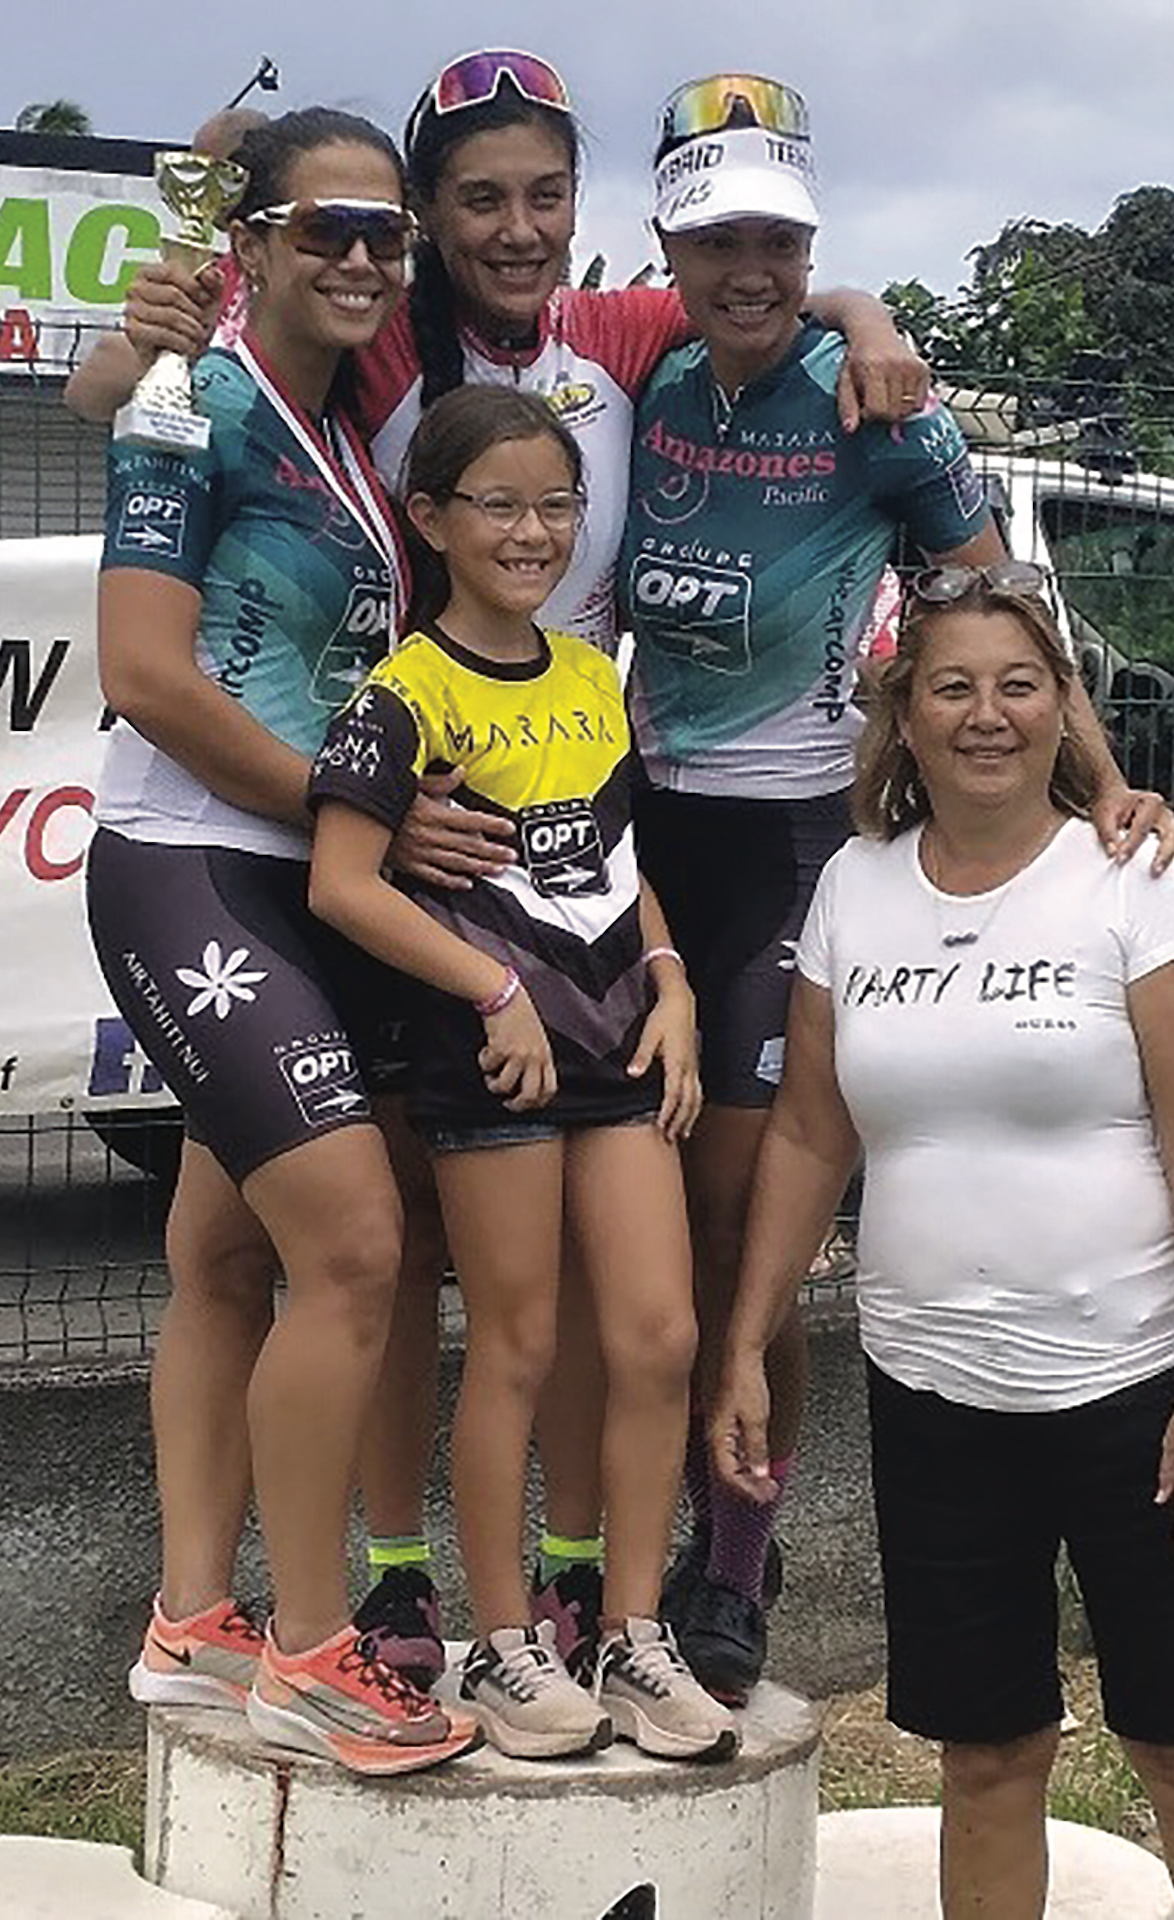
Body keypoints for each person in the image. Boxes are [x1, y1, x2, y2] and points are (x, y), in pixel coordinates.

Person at [66, 48, 933, 1689]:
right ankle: (383, 1590)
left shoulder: (612, 329)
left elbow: (768, 290)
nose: (515, 229)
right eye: (474, 200)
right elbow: (134, 390)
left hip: (599, 826)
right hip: (389, 835)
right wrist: (137, 336)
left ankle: (680, 1579)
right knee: (358, 1231)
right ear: (414, 219)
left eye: (545, 195)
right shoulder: (367, 331)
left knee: (693, 1243)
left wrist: (876, 327)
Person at [621, 73, 1174, 1703]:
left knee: (742, 1235)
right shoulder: (633, 365)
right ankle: (607, 1567)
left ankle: (733, 1565)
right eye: (718, 234)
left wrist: (1097, 778)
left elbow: (993, 611)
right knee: (629, 1237)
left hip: (794, 843)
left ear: (810, 245)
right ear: (669, 238)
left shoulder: (879, 403)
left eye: (781, 241)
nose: (750, 267)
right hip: (642, 825)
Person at [711, 565, 1174, 1916]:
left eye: (1017, 686)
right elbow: (805, 1136)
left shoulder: (1134, 878)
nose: (985, 716)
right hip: (933, 1396)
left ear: (1060, 709)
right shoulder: (853, 887)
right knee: (984, 1753)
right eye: (951, 687)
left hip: (1136, 1393)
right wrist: (743, 1338)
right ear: (901, 716)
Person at [86, 106, 482, 1776]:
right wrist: (353, 800)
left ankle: (192, 1621)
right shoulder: (199, 400)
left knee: (229, 1259)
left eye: (384, 234)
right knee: (360, 1254)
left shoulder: (350, 420)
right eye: (321, 226)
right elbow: (147, 679)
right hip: (194, 867)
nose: (361, 258)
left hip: (291, 882)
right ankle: (317, 1654)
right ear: (244, 245)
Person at [306, 384, 737, 1763]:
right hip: (490, 1064)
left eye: (557, 504)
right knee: (519, 1347)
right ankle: (497, 1647)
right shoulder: (400, 694)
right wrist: (490, 989)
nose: (531, 531)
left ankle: (626, 1634)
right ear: (429, 519)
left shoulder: (590, 676)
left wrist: (668, 983)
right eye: (497, 504)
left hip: (619, 1050)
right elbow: (341, 885)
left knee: (658, 1338)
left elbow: (620, 865)